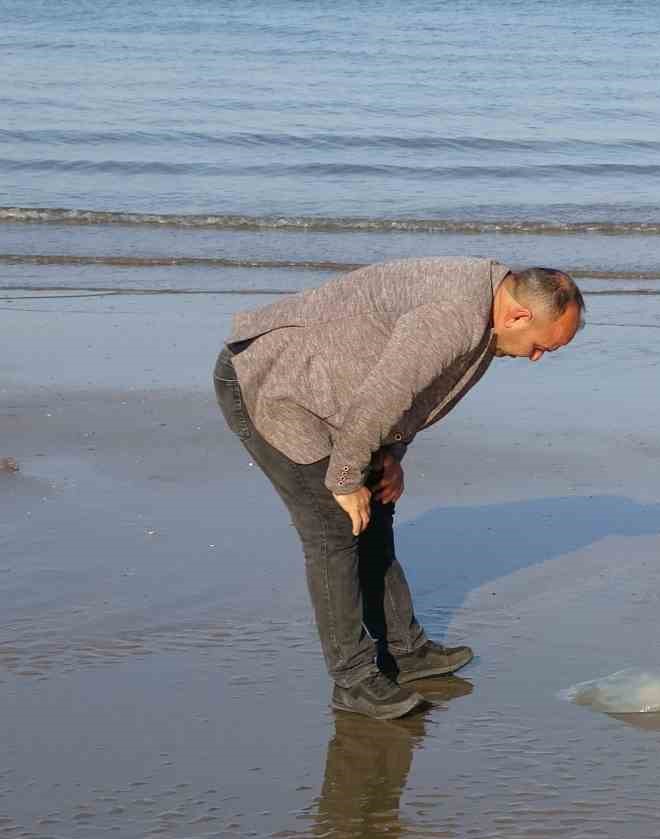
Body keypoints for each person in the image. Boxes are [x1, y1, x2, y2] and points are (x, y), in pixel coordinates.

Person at [212, 257, 584, 719]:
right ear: (519, 316)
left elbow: (414, 395)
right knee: (333, 527)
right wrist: (347, 476)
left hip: (334, 399)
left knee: (376, 509)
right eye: (539, 347)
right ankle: (352, 680)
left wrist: (389, 457)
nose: (534, 358)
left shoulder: (489, 310)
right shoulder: (456, 317)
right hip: (272, 385)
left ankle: (404, 652)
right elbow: (385, 394)